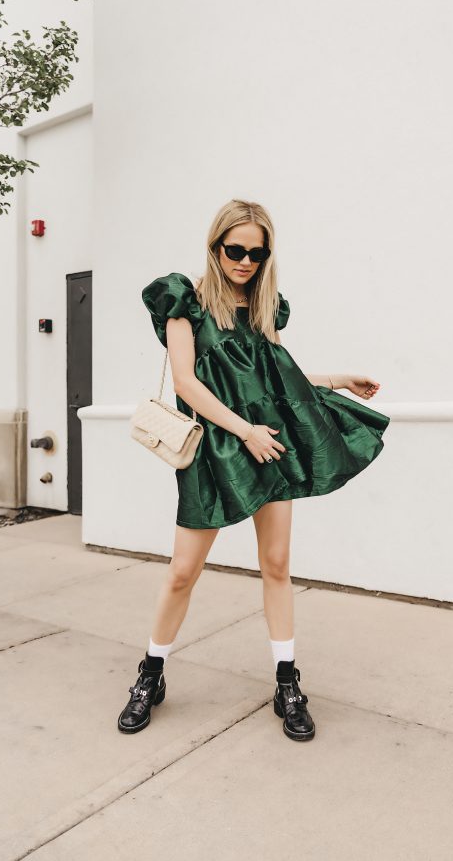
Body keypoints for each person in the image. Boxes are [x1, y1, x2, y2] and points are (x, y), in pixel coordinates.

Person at [118, 199, 390, 741]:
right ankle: (151, 673)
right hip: (222, 446)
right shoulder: (185, 302)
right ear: (215, 246)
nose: (245, 262)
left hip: (268, 444)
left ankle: (287, 682)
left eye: (256, 254)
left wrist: (337, 379)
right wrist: (243, 430)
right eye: (235, 250)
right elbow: (186, 382)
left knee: (277, 563)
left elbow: (279, 379)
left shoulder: (265, 307)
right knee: (182, 572)